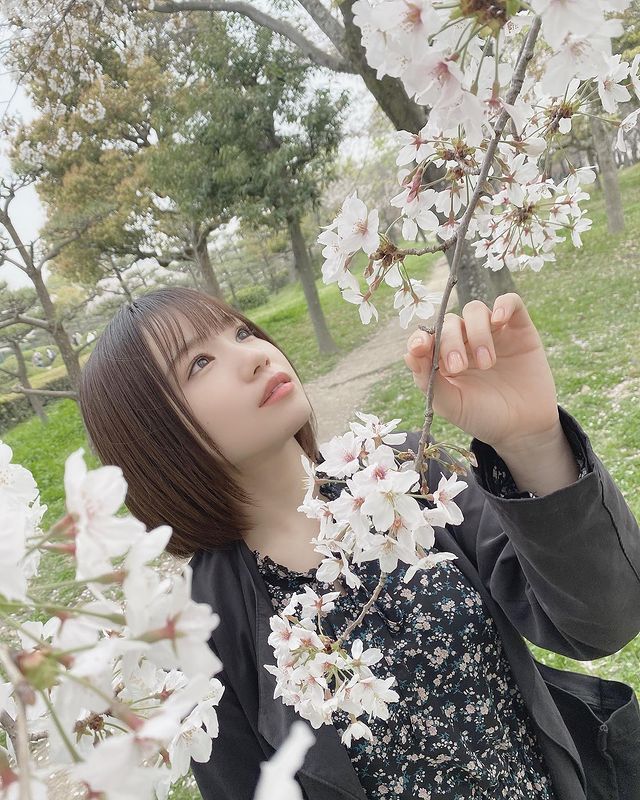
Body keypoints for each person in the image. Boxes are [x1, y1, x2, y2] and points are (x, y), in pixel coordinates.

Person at [78, 286, 640, 800]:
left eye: (242, 332)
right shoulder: (203, 625)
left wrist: (532, 440)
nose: (254, 356)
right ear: (154, 438)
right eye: (200, 363)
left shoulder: (397, 470)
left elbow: (599, 622)